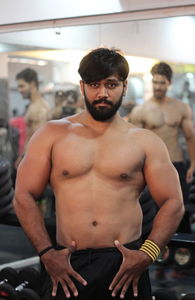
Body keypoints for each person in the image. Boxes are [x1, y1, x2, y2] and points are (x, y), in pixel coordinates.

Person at [13, 48, 184, 300]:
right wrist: (46, 253)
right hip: (66, 262)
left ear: (124, 87)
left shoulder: (145, 141)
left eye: (111, 84)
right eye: (94, 84)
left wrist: (147, 254)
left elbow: (174, 203)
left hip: (125, 264)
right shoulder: (52, 135)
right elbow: (24, 195)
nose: (102, 93)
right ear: (82, 86)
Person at [130, 62, 195, 233]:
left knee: (180, 212)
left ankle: (181, 252)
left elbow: (190, 138)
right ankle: (154, 254)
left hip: (176, 164)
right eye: (155, 82)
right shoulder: (141, 110)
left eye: (161, 83)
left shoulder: (181, 108)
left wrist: (193, 165)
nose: (157, 86)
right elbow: (135, 143)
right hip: (150, 166)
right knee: (152, 214)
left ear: (169, 83)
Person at [16, 68, 50, 148]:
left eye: (22, 86)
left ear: (33, 84)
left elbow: (40, 142)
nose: (19, 90)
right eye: (18, 87)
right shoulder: (33, 105)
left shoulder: (39, 108)